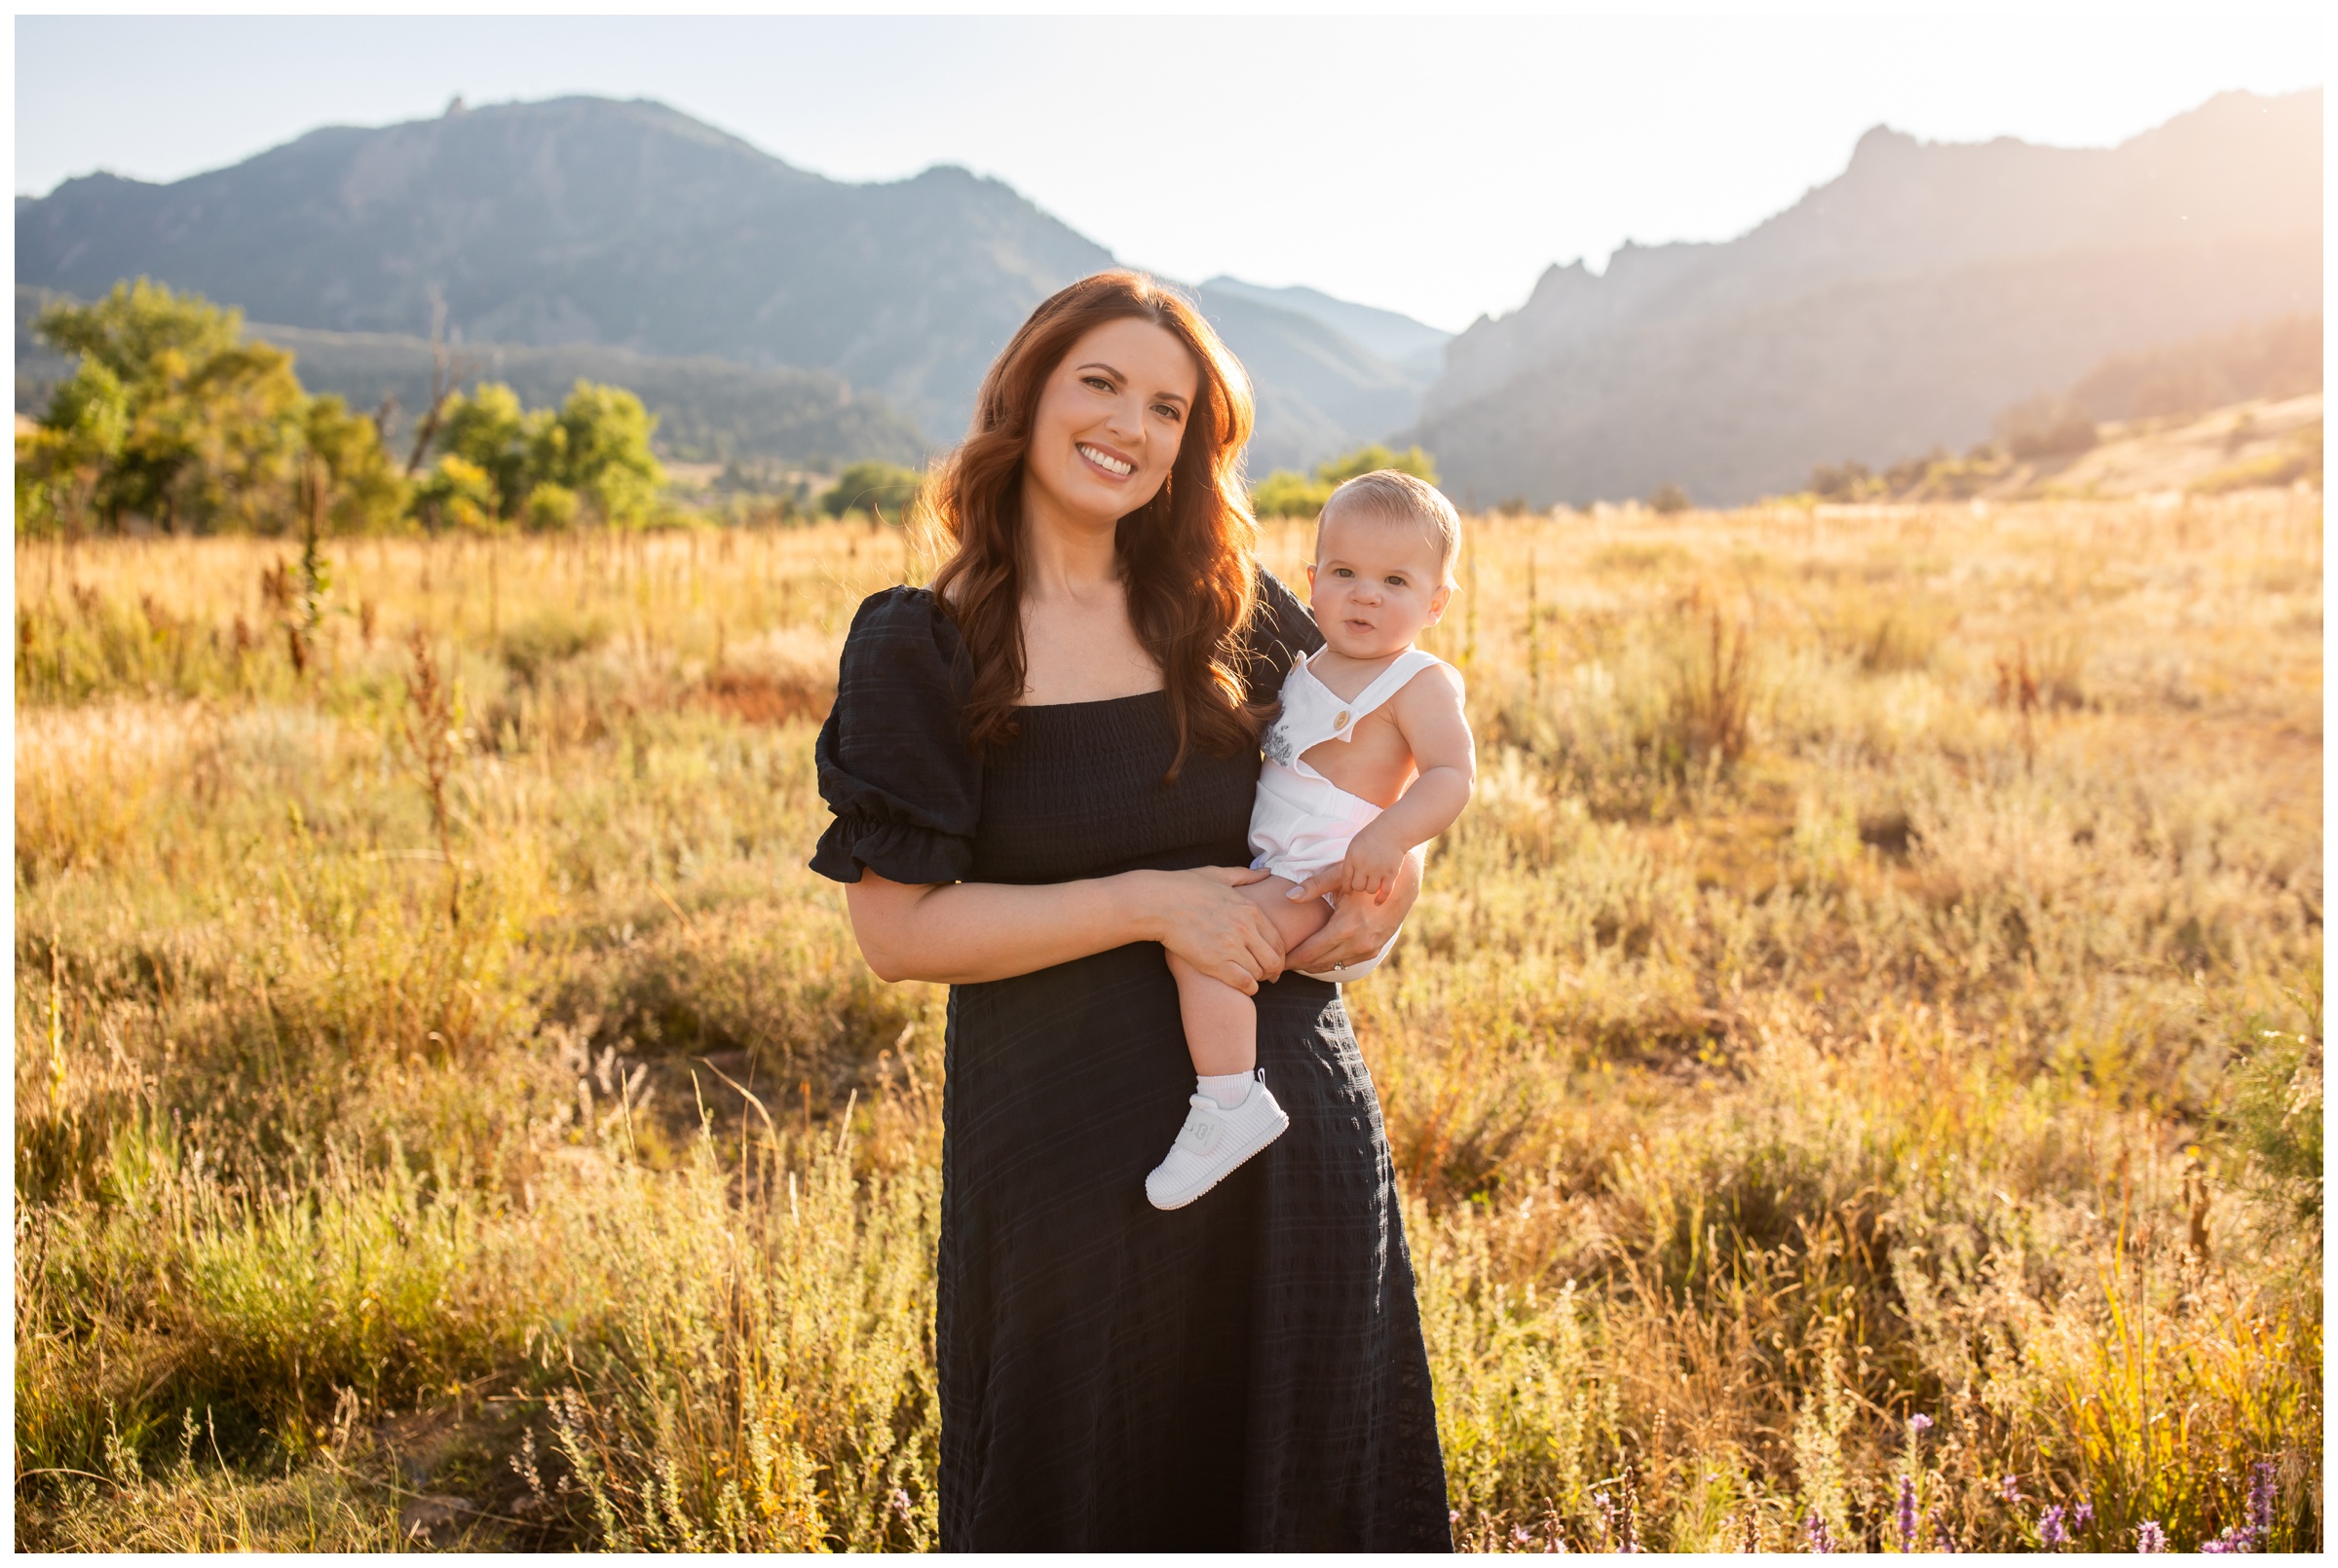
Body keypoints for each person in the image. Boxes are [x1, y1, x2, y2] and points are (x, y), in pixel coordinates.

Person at [809, 270, 1452, 1550]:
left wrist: (1387, 895)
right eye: (1100, 382)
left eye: (1169, 406)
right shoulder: (923, 646)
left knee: (1314, 1492)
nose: (1130, 424)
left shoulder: (1234, 609)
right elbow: (896, 937)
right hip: (1068, 1181)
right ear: (1028, 394)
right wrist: (1149, 902)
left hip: (1293, 1142)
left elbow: (1374, 789)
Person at [1146, 470, 1475, 1210]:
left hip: (1332, 883)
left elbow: (1453, 774)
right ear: (1312, 581)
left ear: (1436, 602)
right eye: (1346, 573)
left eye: (1395, 580)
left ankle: (1229, 1102)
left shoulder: (1417, 681)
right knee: (1208, 931)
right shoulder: (1303, 665)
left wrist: (1392, 839)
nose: (1365, 594)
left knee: (1205, 948)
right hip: (1281, 867)